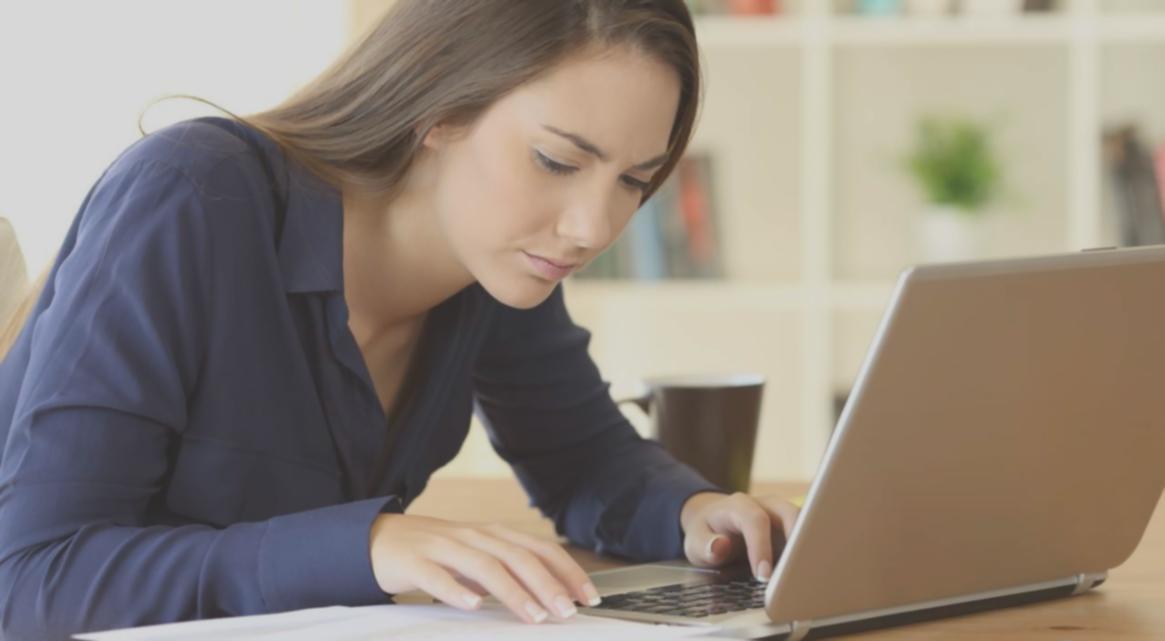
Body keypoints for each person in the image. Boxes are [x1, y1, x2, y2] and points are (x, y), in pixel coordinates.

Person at [0, 1, 800, 639]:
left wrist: (694, 512)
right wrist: (368, 546)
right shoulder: (195, 194)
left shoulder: (497, 258)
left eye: (633, 179)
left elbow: (584, 459)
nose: (593, 227)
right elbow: (31, 578)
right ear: (438, 108)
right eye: (557, 161)